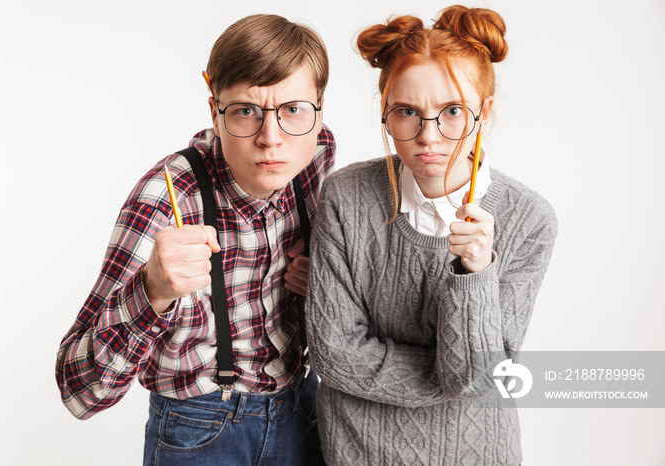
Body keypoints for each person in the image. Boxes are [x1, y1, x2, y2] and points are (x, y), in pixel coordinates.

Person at [55, 14, 334, 466]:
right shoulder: (166, 199)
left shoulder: (315, 156)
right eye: (246, 110)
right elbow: (79, 392)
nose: (271, 138)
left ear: (319, 111)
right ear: (214, 111)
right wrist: (152, 291)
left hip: (304, 411)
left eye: (293, 110)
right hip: (199, 428)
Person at [306, 5, 557, 466]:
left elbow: (480, 378)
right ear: (385, 112)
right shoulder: (346, 196)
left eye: (452, 112)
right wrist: (449, 377)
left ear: (484, 113)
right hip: (358, 453)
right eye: (407, 112)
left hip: (477, 453)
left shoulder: (530, 219)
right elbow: (335, 354)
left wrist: (475, 273)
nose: (429, 136)